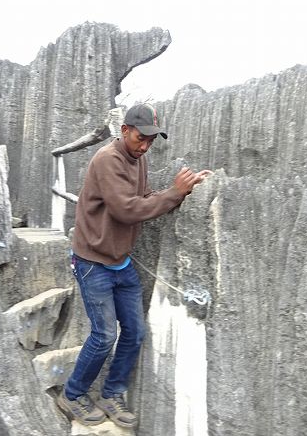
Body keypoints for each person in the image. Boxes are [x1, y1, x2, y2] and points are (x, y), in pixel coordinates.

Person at [57, 103, 210, 428]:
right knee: (103, 335)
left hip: (119, 261)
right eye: (141, 138)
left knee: (135, 331)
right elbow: (127, 210)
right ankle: (72, 394)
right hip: (92, 262)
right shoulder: (107, 160)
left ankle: (112, 393)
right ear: (125, 130)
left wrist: (186, 190)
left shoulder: (137, 158)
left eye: (151, 141)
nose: (145, 146)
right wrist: (173, 192)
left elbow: (145, 197)